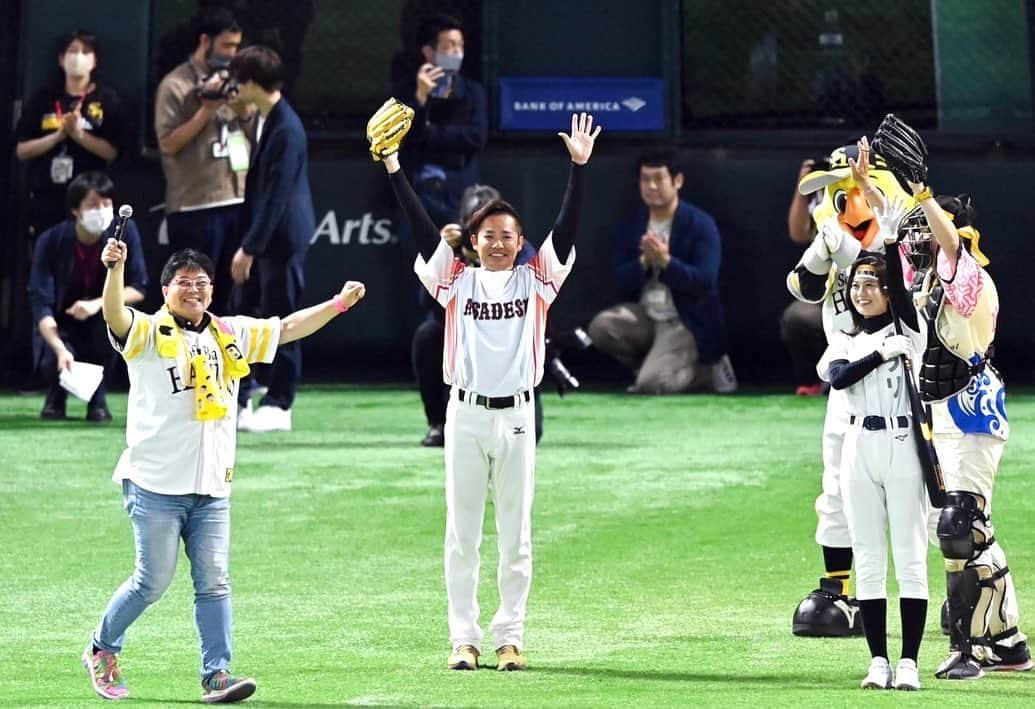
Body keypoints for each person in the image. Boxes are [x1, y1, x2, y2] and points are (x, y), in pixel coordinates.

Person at [83, 240, 366, 703]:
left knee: (214, 580)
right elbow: (115, 316)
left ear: (212, 290)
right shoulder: (149, 333)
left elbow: (288, 328)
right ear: (165, 290)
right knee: (151, 581)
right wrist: (114, 271)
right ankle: (101, 647)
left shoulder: (229, 333)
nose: (193, 290)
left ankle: (217, 675)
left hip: (213, 486)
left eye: (201, 283)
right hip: (155, 483)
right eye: (183, 283)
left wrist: (337, 304)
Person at [371, 103, 600, 671]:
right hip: (466, 414)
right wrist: (395, 166)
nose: (497, 242)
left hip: (518, 416)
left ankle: (510, 637)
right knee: (462, 534)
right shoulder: (456, 279)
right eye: (487, 235)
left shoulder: (536, 279)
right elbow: (424, 230)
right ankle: (463, 638)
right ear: (471, 243)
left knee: (516, 536)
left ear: (522, 241)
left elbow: (567, 230)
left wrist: (579, 168)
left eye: (507, 235)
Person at [883, 172, 1030, 678]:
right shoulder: (921, 285)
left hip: (972, 409)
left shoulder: (972, 280)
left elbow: (949, 252)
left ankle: (968, 650)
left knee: (959, 526)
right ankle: (1008, 641)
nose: (919, 241)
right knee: (961, 531)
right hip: (934, 414)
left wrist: (924, 198)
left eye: (929, 230)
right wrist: (876, 186)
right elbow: (901, 244)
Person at [788, 141, 914, 637]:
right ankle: (838, 591)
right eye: (834, 193)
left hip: (902, 387)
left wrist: (842, 243)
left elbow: (888, 269)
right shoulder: (833, 240)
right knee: (837, 488)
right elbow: (803, 286)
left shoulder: (897, 235)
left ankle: (956, 584)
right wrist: (825, 244)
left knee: (920, 493)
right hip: (847, 388)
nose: (841, 202)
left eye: (850, 189)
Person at [817, 251, 929, 691]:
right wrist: (881, 354)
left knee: (910, 555)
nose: (861, 293)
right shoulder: (848, 339)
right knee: (868, 556)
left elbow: (903, 297)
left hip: (903, 445)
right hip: (858, 445)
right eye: (855, 286)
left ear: (887, 292)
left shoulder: (909, 332)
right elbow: (839, 377)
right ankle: (878, 659)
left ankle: (910, 661)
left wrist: (887, 239)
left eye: (871, 285)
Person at [588, 148, 737, 394]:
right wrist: (644, 263)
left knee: (651, 385)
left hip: (684, 320)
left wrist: (667, 262)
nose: (651, 186)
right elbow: (619, 279)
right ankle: (651, 366)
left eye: (659, 179)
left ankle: (706, 372)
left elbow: (705, 281)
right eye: (646, 179)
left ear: (677, 181)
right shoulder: (633, 224)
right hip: (647, 315)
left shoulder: (699, 224)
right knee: (601, 327)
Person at [412, 184, 544, 447]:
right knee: (428, 335)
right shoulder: (454, 251)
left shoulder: (521, 251)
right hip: (466, 353)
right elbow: (428, 304)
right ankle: (437, 422)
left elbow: (528, 297)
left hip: (511, 355)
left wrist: (489, 262)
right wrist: (444, 254)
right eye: (478, 229)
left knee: (530, 434)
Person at [228, 46, 315, 433]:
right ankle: (242, 396)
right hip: (267, 238)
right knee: (249, 315)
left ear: (250, 83)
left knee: (283, 319)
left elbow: (277, 195)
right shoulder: (267, 119)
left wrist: (250, 247)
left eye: (238, 80)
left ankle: (280, 403)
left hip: (282, 239)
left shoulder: (286, 128)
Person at [27, 171, 147, 421]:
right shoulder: (51, 240)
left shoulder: (123, 234)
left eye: (106, 204)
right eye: (93, 205)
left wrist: (95, 305)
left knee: (111, 329)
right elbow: (41, 303)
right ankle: (55, 395)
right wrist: (60, 350)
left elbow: (138, 288)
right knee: (52, 355)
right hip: (61, 320)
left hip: (99, 315)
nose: (101, 211)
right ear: (76, 210)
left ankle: (98, 398)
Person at [155, 7, 249, 316]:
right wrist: (206, 110)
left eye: (236, 47)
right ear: (204, 41)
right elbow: (168, 143)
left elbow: (255, 131)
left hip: (235, 200)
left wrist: (242, 107)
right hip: (194, 206)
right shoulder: (176, 85)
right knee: (192, 296)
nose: (232, 54)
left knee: (229, 296)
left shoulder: (235, 81)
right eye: (226, 46)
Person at [16, 29, 124, 240]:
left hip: (91, 198)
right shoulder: (43, 98)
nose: (78, 57)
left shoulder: (106, 98)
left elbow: (112, 152)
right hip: (47, 195)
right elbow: (22, 150)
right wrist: (57, 136)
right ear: (61, 59)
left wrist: (78, 134)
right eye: (73, 51)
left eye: (85, 51)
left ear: (94, 61)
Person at [391, 12, 487, 228]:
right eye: (450, 46)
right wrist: (421, 98)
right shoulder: (407, 90)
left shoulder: (473, 92)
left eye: (460, 46)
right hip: (418, 194)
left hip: (460, 194)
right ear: (429, 52)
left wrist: (430, 132)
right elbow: (407, 137)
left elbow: (476, 137)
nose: (457, 52)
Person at [780, 158, 827, 396]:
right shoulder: (821, 196)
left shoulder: (871, 191)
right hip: (826, 293)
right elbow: (798, 234)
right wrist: (803, 186)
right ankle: (812, 382)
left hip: (866, 290)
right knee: (797, 317)